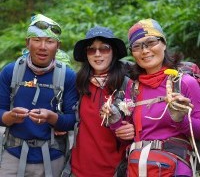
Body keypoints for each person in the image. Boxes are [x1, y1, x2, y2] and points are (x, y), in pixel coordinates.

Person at [102, 18, 200, 176]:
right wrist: (115, 122)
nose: (145, 51)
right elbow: (129, 138)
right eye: (137, 46)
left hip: (175, 169)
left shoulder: (184, 83)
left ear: (164, 43)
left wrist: (180, 120)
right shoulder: (133, 87)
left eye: (151, 42)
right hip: (138, 167)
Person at [0, 14, 78, 177]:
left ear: (58, 46)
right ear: (27, 43)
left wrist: (52, 118)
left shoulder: (68, 76)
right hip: (13, 154)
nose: (43, 46)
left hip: (52, 156)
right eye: (36, 39)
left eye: (49, 41)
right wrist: (10, 117)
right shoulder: (11, 71)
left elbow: (73, 120)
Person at [71, 26, 135, 177]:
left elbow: (143, 123)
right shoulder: (79, 84)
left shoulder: (128, 85)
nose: (97, 54)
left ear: (113, 52)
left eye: (104, 49)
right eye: (91, 49)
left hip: (115, 170)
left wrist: (132, 130)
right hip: (78, 170)